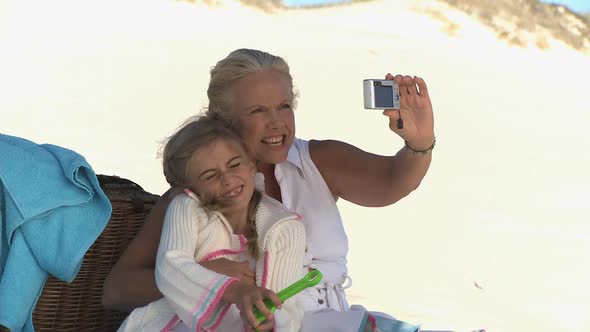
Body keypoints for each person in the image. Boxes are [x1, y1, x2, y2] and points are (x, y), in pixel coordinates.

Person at [103, 48, 434, 317]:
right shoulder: (196, 191)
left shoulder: (320, 160)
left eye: (284, 106)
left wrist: (419, 144)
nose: (277, 123)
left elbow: (393, 182)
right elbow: (117, 290)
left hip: (334, 321)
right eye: (258, 111)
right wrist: (203, 277)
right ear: (223, 121)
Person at [117, 116, 308, 331]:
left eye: (234, 164)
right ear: (191, 189)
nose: (227, 179)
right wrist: (235, 291)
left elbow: (287, 309)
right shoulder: (187, 208)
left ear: (252, 165)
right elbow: (170, 265)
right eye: (210, 175)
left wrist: (270, 322)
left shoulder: (285, 229)